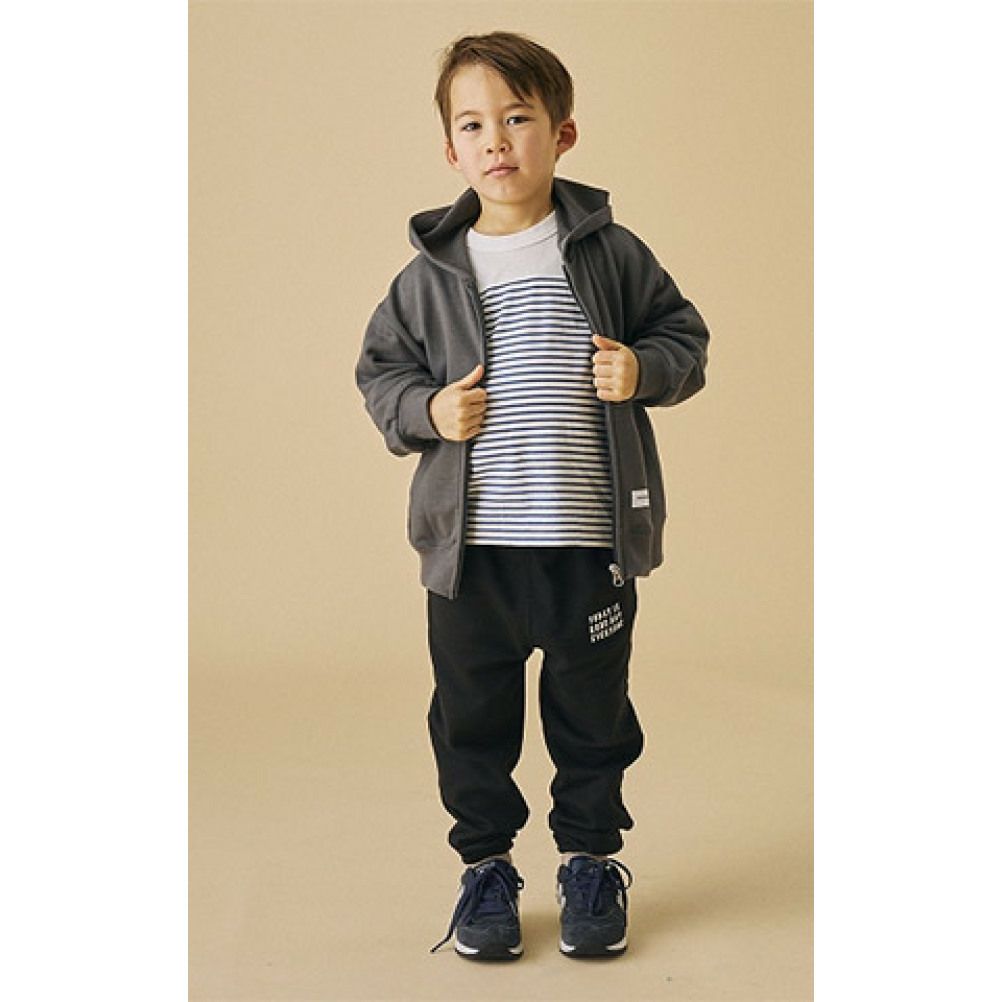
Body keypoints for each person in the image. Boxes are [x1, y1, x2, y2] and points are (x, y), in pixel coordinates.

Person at [354, 30, 709, 961]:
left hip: (589, 548)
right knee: (471, 719)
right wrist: (430, 409)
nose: (497, 140)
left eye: (518, 118)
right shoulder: (431, 274)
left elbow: (684, 338)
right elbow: (382, 375)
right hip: (470, 555)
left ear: (563, 134)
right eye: (474, 124)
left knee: (593, 716)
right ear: (450, 149)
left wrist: (644, 369)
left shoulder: (609, 252)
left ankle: (590, 861)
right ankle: (486, 869)